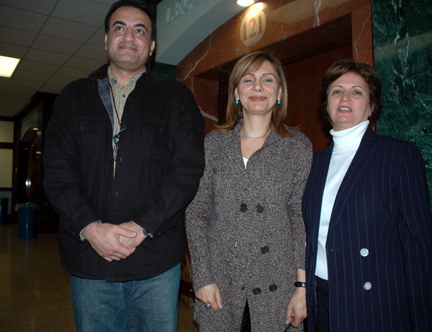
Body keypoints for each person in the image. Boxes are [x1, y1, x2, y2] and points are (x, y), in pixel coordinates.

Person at [42, 0, 205, 331]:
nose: (129, 36)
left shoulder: (177, 99)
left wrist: (142, 227)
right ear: (106, 39)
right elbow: (58, 173)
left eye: (140, 30)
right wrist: (90, 228)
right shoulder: (73, 98)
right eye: (120, 27)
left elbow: (186, 172)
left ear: (152, 45)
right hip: (90, 262)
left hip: (156, 264)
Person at [302, 59, 432, 332]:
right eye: (336, 91)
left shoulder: (398, 156)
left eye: (357, 92)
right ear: (327, 104)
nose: (345, 97)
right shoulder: (314, 163)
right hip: (322, 300)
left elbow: (419, 251)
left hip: (373, 304)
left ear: (372, 106)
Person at [185, 51, 312, 332]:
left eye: (268, 79)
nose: (258, 87)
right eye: (248, 79)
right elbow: (196, 213)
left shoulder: (297, 147)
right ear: (237, 93)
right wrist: (202, 277)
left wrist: (302, 287)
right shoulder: (214, 144)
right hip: (221, 283)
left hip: (276, 285)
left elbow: (300, 220)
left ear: (279, 92)